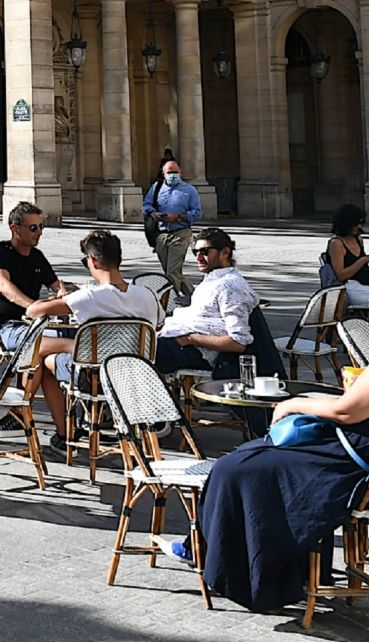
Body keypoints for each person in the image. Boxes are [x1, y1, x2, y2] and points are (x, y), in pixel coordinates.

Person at [199, 272, 369, 611]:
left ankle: (243, 569)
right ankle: (274, 566)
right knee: (255, 457)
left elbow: (347, 411)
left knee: (240, 466)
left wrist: (292, 403)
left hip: (362, 473)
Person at [19, 229, 163, 441]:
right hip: (135, 373)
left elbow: (32, 312)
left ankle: (57, 429)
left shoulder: (90, 296)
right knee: (47, 350)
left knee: (41, 355)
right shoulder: (147, 296)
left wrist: (54, 299)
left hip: (95, 377)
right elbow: (158, 324)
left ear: (93, 261)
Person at [154, 229, 259, 375]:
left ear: (225, 252)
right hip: (182, 342)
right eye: (195, 252)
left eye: (204, 252)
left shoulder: (230, 286)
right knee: (132, 349)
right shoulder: (213, 279)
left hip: (199, 353)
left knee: (135, 358)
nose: (198, 258)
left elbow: (239, 342)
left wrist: (190, 338)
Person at [0, 202, 60, 351]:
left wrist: (75, 292)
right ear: (15, 229)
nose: (39, 233)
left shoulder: (37, 256)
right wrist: (33, 306)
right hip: (10, 327)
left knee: (77, 335)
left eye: (41, 227)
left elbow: (57, 286)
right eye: (33, 228)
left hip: (36, 323)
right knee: (65, 344)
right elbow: (3, 286)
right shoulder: (1, 252)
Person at [143, 157, 202, 303]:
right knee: (172, 272)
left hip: (181, 233)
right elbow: (146, 205)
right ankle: (195, 297)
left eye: (175, 172)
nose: (172, 175)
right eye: (169, 172)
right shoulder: (156, 188)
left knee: (172, 272)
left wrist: (178, 217)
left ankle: (170, 303)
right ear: (163, 174)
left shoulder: (189, 190)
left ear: (180, 172)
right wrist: (153, 213)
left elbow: (197, 213)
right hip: (162, 234)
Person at [321, 203, 369, 309]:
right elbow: (341, 275)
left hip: (362, 281)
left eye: (361, 223)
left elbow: (361, 266)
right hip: (347, 286)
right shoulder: (337, 243)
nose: (359, 227)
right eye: (356, 224)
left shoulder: (358, 239)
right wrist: (364, 260)